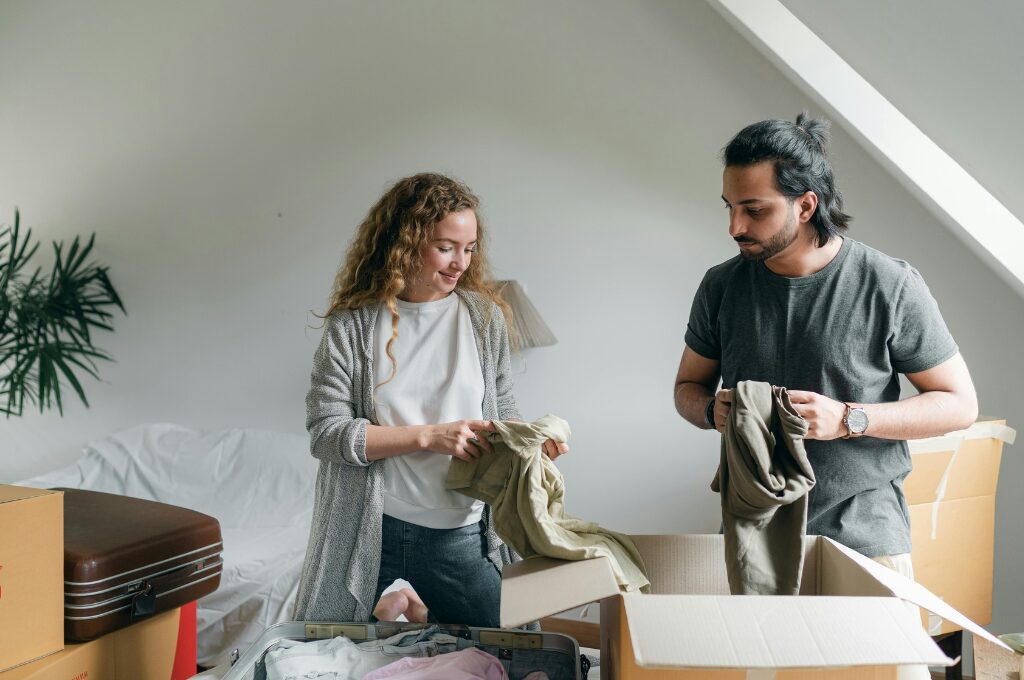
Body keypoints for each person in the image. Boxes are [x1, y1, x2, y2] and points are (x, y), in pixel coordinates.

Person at [673, 113, 978, 578]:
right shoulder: (721, 286)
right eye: (729, 207)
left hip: (865, 538)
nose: (735, 226)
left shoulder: (889, 284)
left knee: (876, 656)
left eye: (754, 210)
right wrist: (709, 410)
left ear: (806, 205)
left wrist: (848, 419)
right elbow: (687, 386)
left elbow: (959, 405)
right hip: (748, 537)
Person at [293, 172, 568, 627]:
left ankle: (406, 611)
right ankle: (403, 610)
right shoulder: (353, 325)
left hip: (457, 533)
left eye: (470, 248)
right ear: (404, 242)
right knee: (313, 656)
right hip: (369, 529)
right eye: (445, 247)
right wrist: (429, 437)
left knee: (523, 654)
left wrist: (528, 444)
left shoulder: (484, 319)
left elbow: (500, 405)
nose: (460, 262)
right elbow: (326, 434)